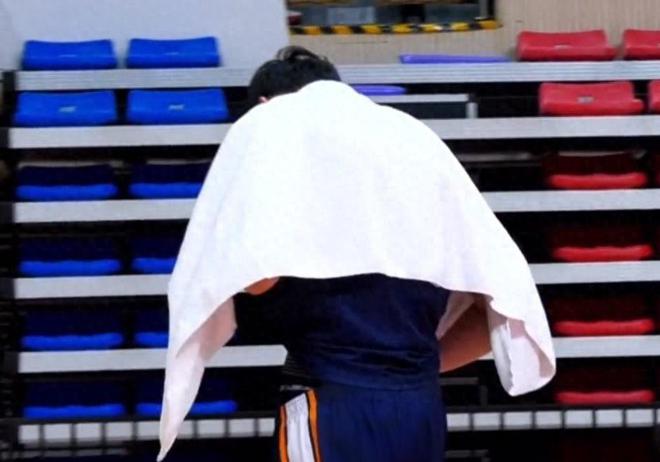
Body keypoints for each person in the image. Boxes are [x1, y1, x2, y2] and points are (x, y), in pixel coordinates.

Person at [158, 46, 555, 462]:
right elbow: (499, 303)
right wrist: (407, 370)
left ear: (264, 105)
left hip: (330, 396)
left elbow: (258, 277)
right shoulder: (411, 137)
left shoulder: (273, 127)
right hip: (418, 401)